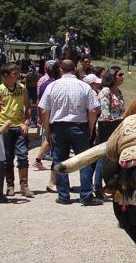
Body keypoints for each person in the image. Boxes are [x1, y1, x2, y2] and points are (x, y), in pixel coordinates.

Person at [38, 59, 101, 205]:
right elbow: (93, 110)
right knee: (84, 161)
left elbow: (45, 111)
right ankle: (86, 195)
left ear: (60, 69)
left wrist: (47, 130)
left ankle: (63, 195)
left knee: (59, 160)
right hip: (79, 126)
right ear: (74, 69)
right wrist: (90, 128)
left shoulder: (53, 86)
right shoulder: (84, 86)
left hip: (59, 127)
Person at [0, 63, 33, 197]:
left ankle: (24, 185)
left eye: (17, 73)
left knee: (22, 155)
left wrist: (26, 122)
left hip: (19, 126)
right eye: (14, 73)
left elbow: (27, 106)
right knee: (7, 158)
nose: (17, 75)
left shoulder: (22, 88)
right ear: (5, 75)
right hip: (5, 126)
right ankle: (10, 185)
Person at [93, 66, 126, 200]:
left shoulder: (118, 91)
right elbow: (104, 114)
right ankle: (97, 187)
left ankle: (113, 185)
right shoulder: (106, 92)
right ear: (112, 76)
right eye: (120, 75)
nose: (123, 77)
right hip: (106, 128)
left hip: (117, 127)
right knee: (103, 157)